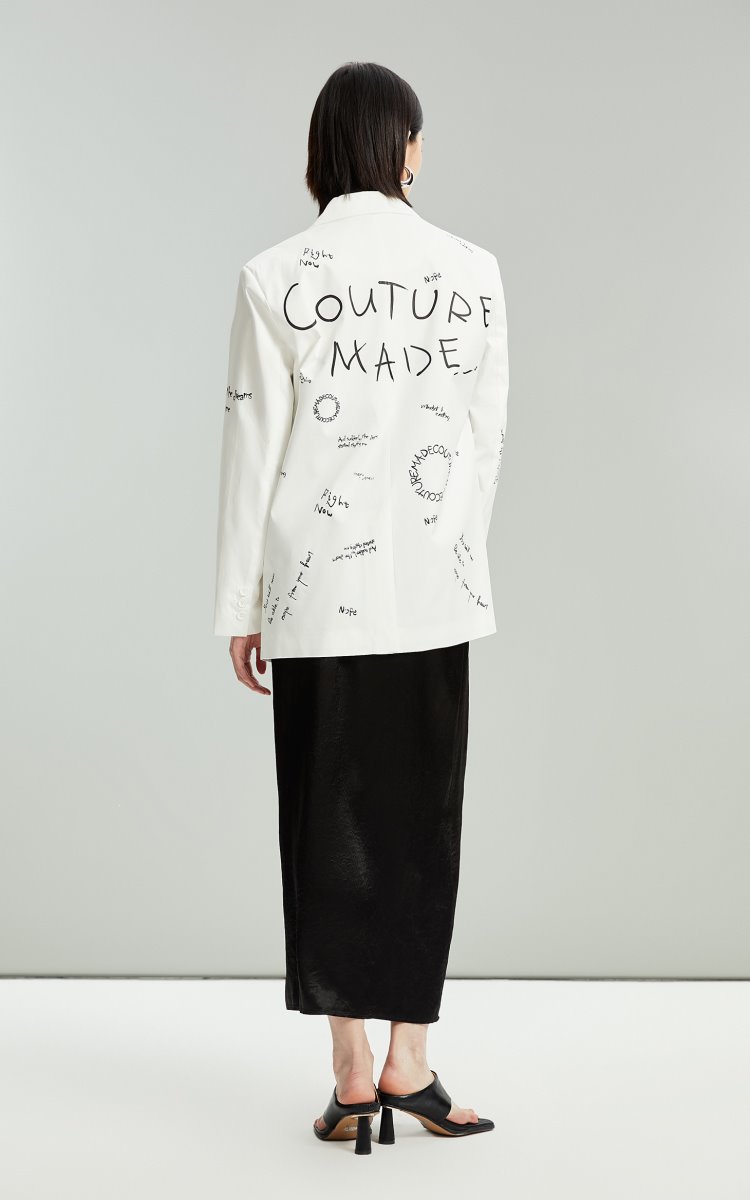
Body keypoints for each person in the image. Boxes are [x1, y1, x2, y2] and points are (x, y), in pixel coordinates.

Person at [213, 61, 509, 1153]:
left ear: (321, 151)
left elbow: (251, 448)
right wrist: (455, 551)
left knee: (327, 820)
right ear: (407, 148)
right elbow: (483, 442)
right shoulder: (471, 272)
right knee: (424, 824)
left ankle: (350, 1074)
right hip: (433, 588)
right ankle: (407, 1062)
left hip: (314, 593)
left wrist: (242, 603)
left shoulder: (274, 276)